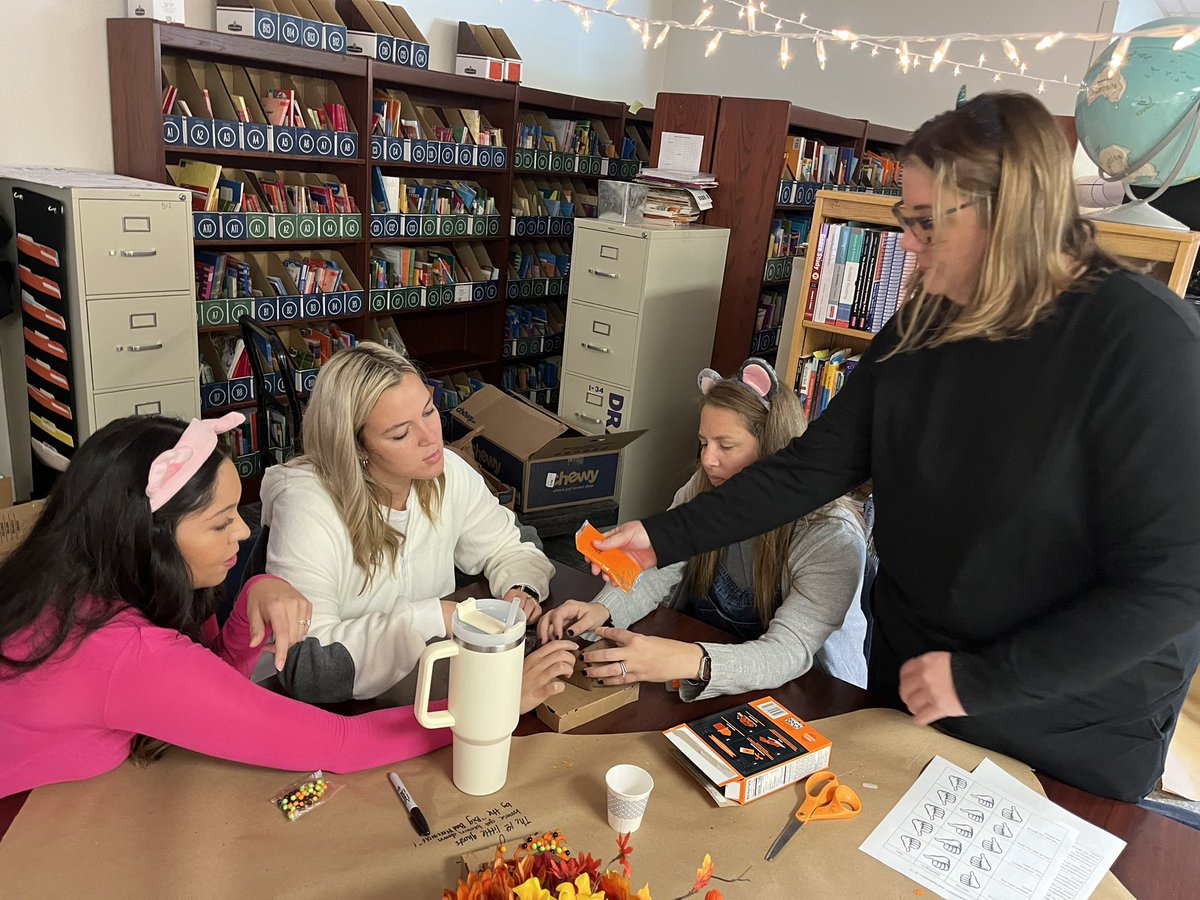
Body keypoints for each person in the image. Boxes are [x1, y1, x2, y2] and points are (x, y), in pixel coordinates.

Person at [590, 92, 1200, 803]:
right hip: (916, 676)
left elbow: (1169, 587)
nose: (906, 242)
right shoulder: (924, 327)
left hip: (1067, 717)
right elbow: (811, 467)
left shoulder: (1147, 347)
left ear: (1007, 215)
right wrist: (661, 536)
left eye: (923, 221)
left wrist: (982, 681)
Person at [0, 413, 453, 797]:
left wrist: (249, 600)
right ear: (149, 539)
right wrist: (481, 708)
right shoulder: (132, 655)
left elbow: (206, 686)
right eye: (220, 524)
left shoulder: (65, 579)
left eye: (240, 510)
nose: (242, 531)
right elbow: (343, 742)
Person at [260, 341, 575, 708]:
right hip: (340, 713)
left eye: (428, 411)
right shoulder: (308, 508)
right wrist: (428, 617)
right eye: (400, 433)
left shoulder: (447, 472)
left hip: (422, 684)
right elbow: (307, 667)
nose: (431, 437)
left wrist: (520, 587)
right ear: (356, 447)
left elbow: (514, 544)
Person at [538, 357, 868, 696]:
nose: (708, 460)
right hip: (718, 676)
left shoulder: (829, 536)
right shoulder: (703, 487)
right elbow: (659, 572)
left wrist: (689, 660)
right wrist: (604, 611)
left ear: (775, 451)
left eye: (726, 446)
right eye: (704, 443)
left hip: (815, 697)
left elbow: (786, 652)